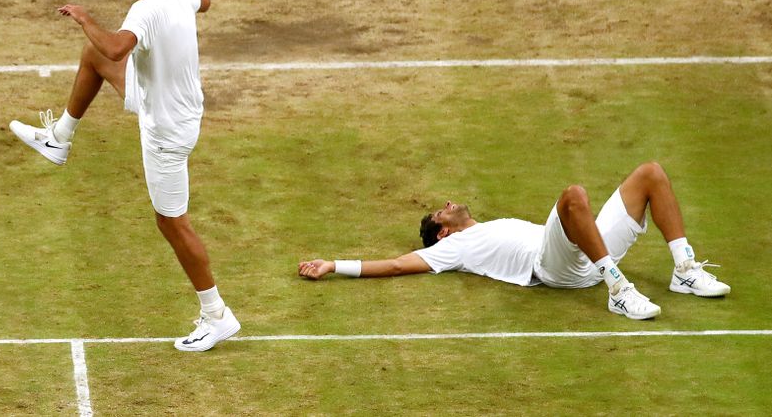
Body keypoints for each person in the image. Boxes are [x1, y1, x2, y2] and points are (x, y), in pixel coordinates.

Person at [9, 0, 239, 351]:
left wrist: (84, 17)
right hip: (175, 107)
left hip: (166, 129)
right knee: (94, 57)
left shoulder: (146, 10)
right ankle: (59, 138)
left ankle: (217, 315)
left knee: (172, 223)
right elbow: (205, 0)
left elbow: (117, 47)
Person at [298, 162, 730, 320]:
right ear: (443, 233)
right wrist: (334, 265)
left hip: (585, 250)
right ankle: (618, 289)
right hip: (555, 267)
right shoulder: (452, 249)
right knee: (573, 196)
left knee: (650, 173)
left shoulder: (486, 227)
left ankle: (684, 270)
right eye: (440, 213)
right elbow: (395, 265)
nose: (447, 204)